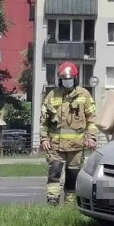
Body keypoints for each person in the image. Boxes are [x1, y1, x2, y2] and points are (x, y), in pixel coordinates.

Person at [39, 61, 98, 206]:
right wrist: (44, 139)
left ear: (75, 78)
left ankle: (70, 205)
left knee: (73, 175)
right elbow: (43, 121)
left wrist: (91, 137)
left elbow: (92, 119)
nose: (67, 81)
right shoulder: (52, 95)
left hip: (76, 146)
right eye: (64, 79)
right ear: (60, 79)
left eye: (69, 78)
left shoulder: (83, 95)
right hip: (55, 145)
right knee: (54, 172)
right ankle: (52, 201)